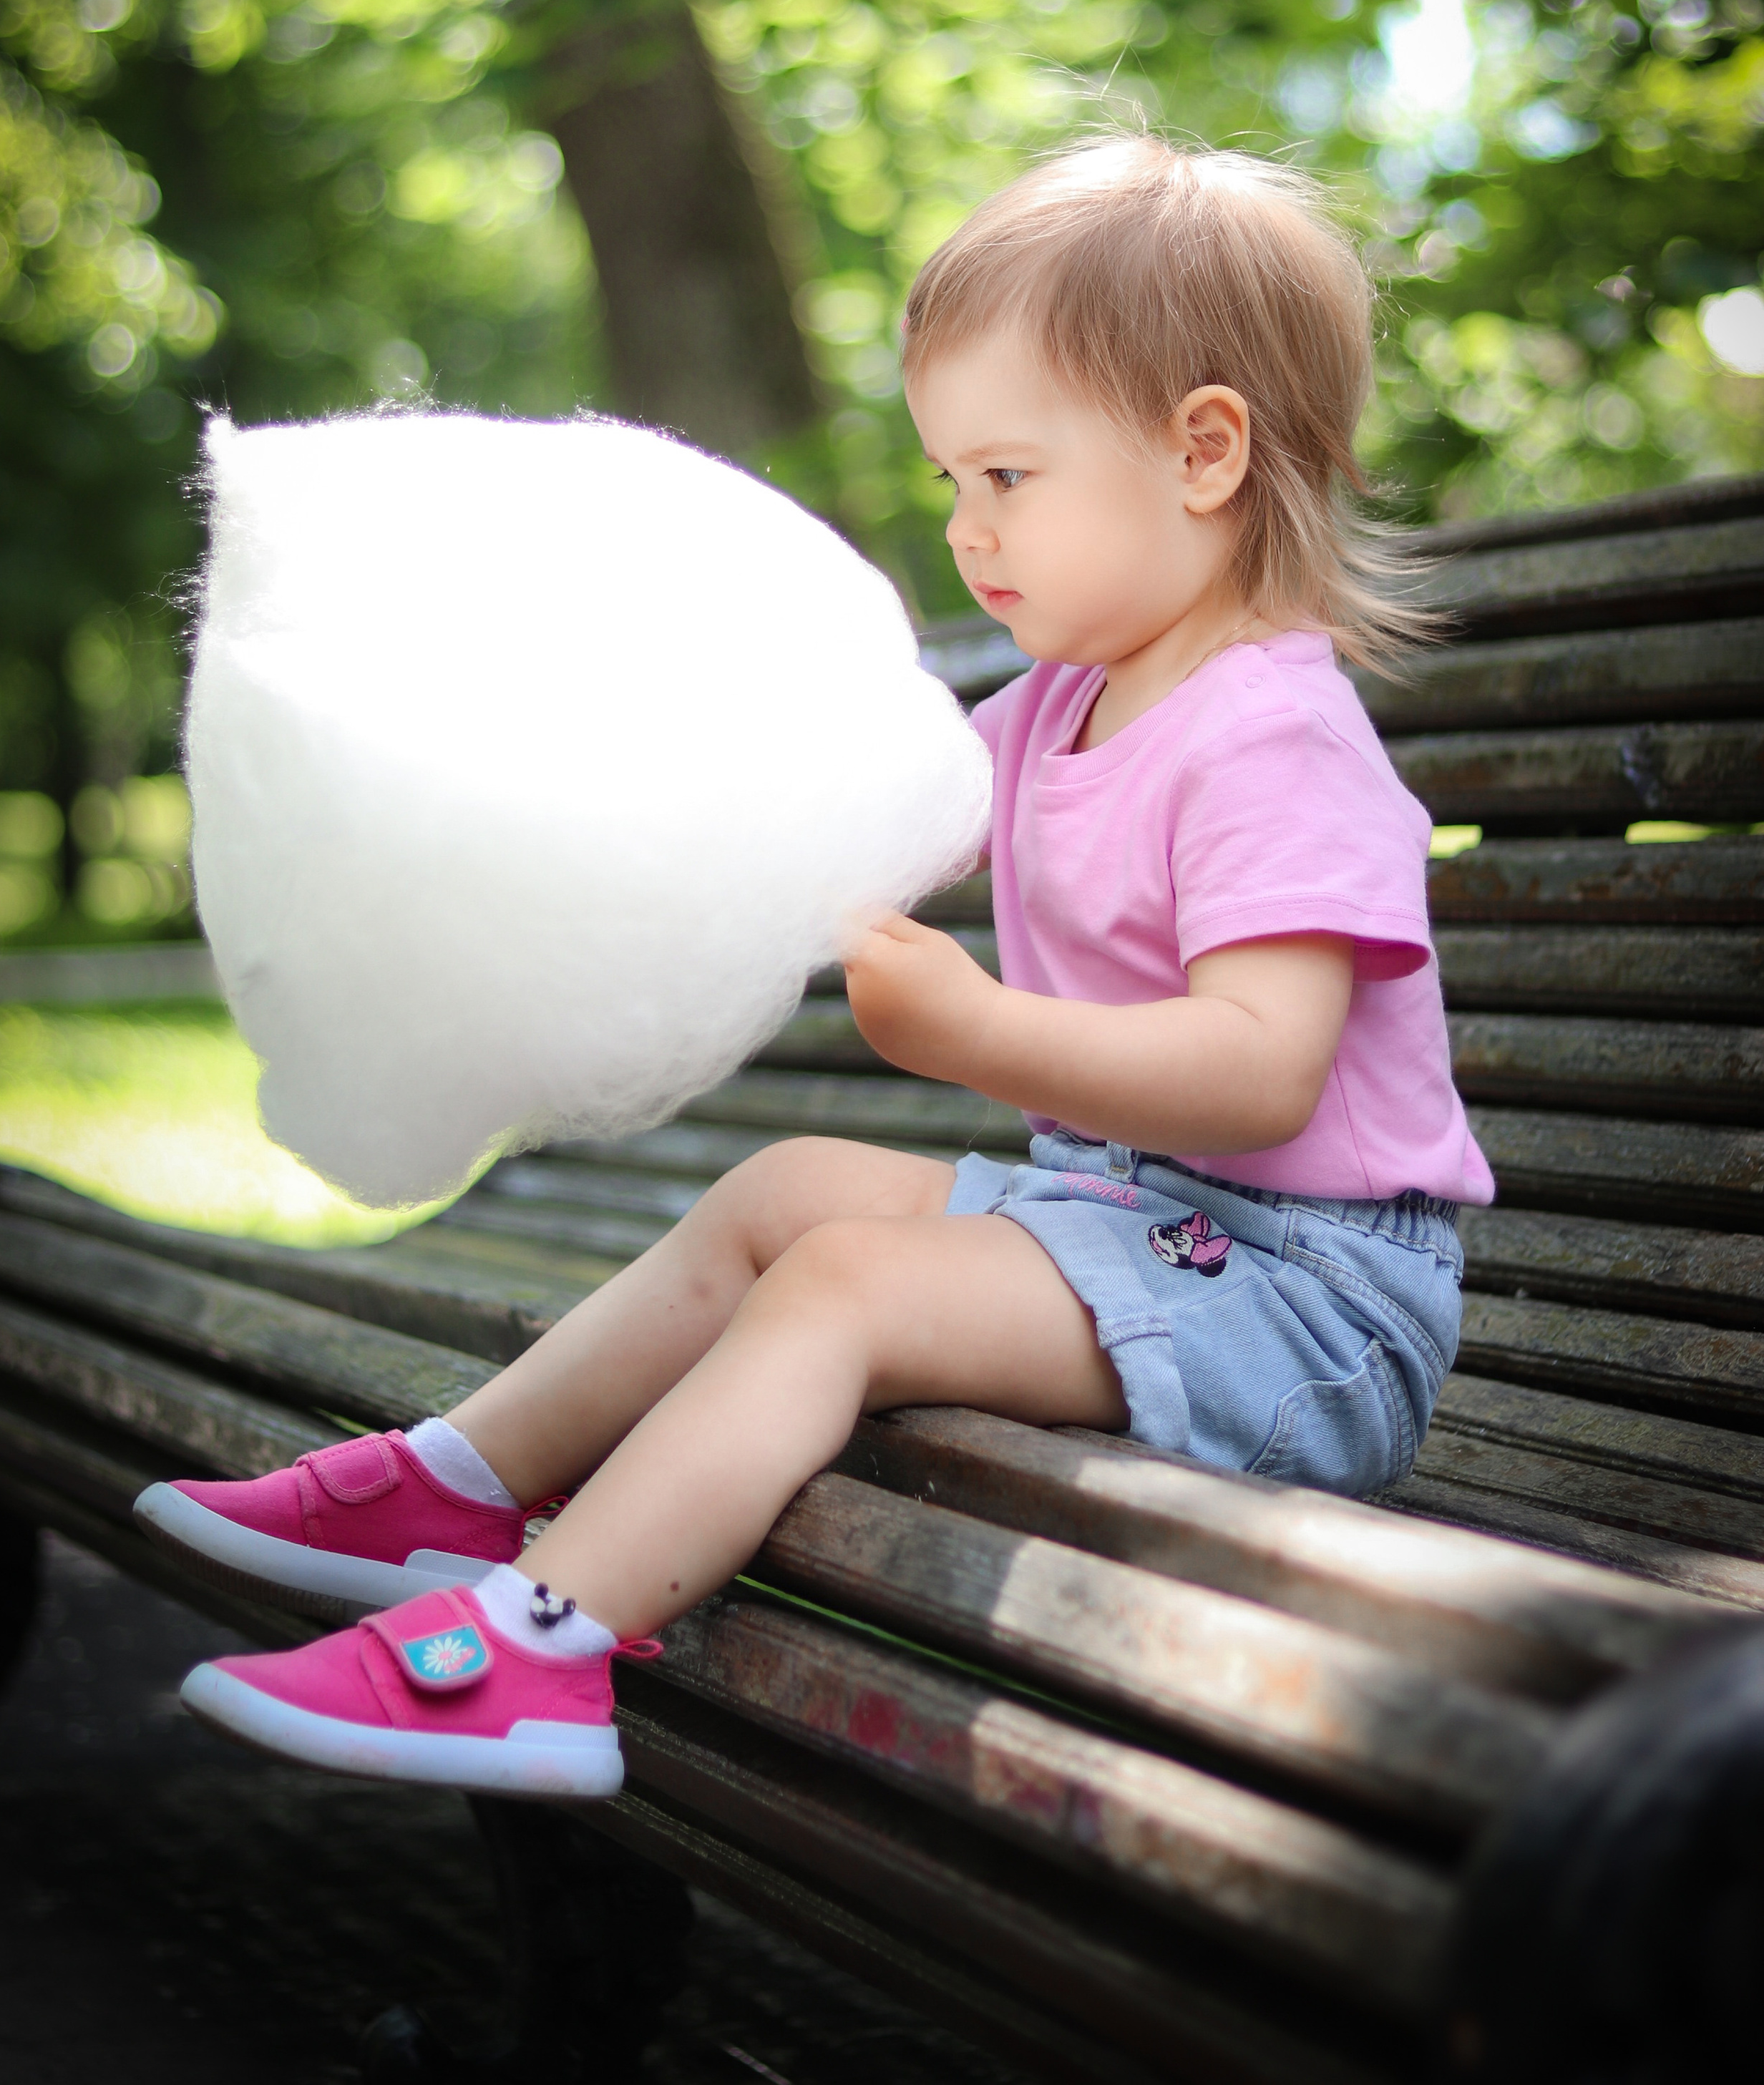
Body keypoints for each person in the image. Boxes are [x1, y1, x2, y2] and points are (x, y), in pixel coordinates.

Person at [137, 133, 1489, 1798]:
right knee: (786, 1190)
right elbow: (871, 823)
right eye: (947, 481)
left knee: (842, 1287)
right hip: (1150, 1240)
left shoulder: (1272, 738)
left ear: (1200, 451)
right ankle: (462, 1479)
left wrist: (980, 1032)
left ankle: (539, 1657)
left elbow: (1260, 1068)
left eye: (1006, 476)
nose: (966, 531)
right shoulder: (1071, 695)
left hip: (1304, 1309)